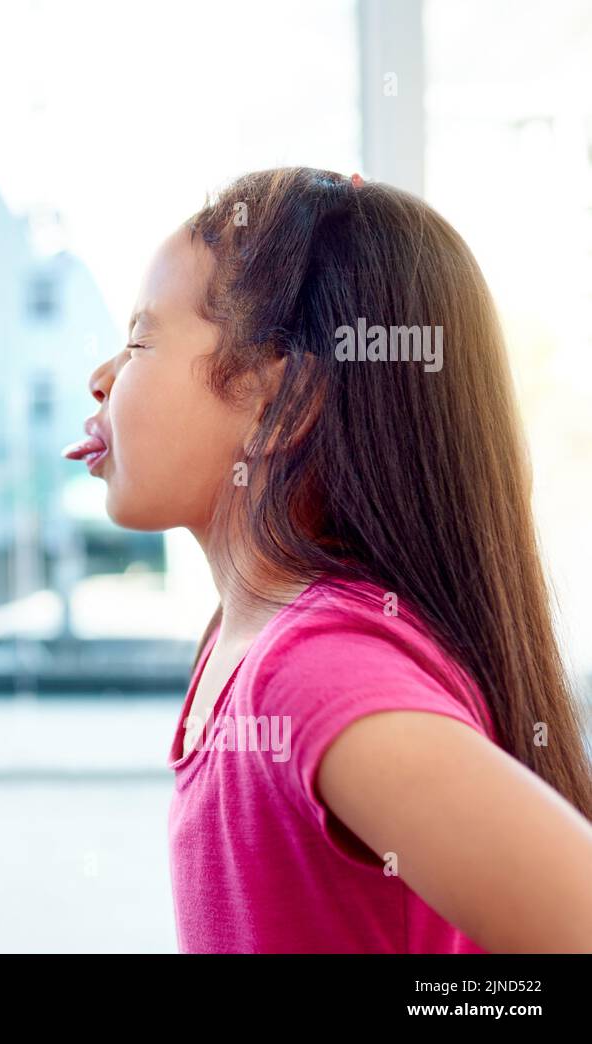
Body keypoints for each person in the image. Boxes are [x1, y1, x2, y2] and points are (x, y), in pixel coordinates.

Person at [63, 167, 592, 952]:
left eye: (140, 340)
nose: (101, 378)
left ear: (282, 404)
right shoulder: (240, 645)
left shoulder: (314, 671)